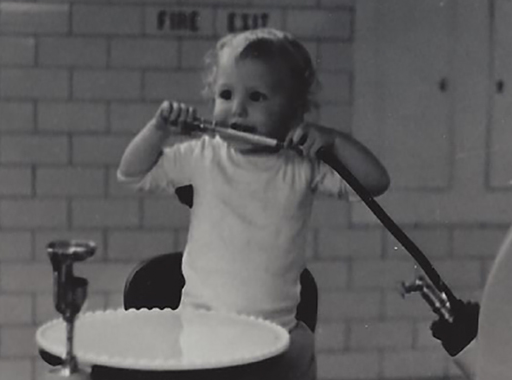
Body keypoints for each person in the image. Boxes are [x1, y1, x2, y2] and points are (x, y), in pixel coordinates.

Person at [117, 28, 390, 379]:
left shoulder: (301, 165)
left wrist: (334, 141)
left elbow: (376, 182)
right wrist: (158, 130)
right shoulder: (204, 155)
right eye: (225, 94)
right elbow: (132, 173)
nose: (238, 109)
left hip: (278, 335)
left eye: (257, 97)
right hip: (205, 333)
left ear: (295, 111)